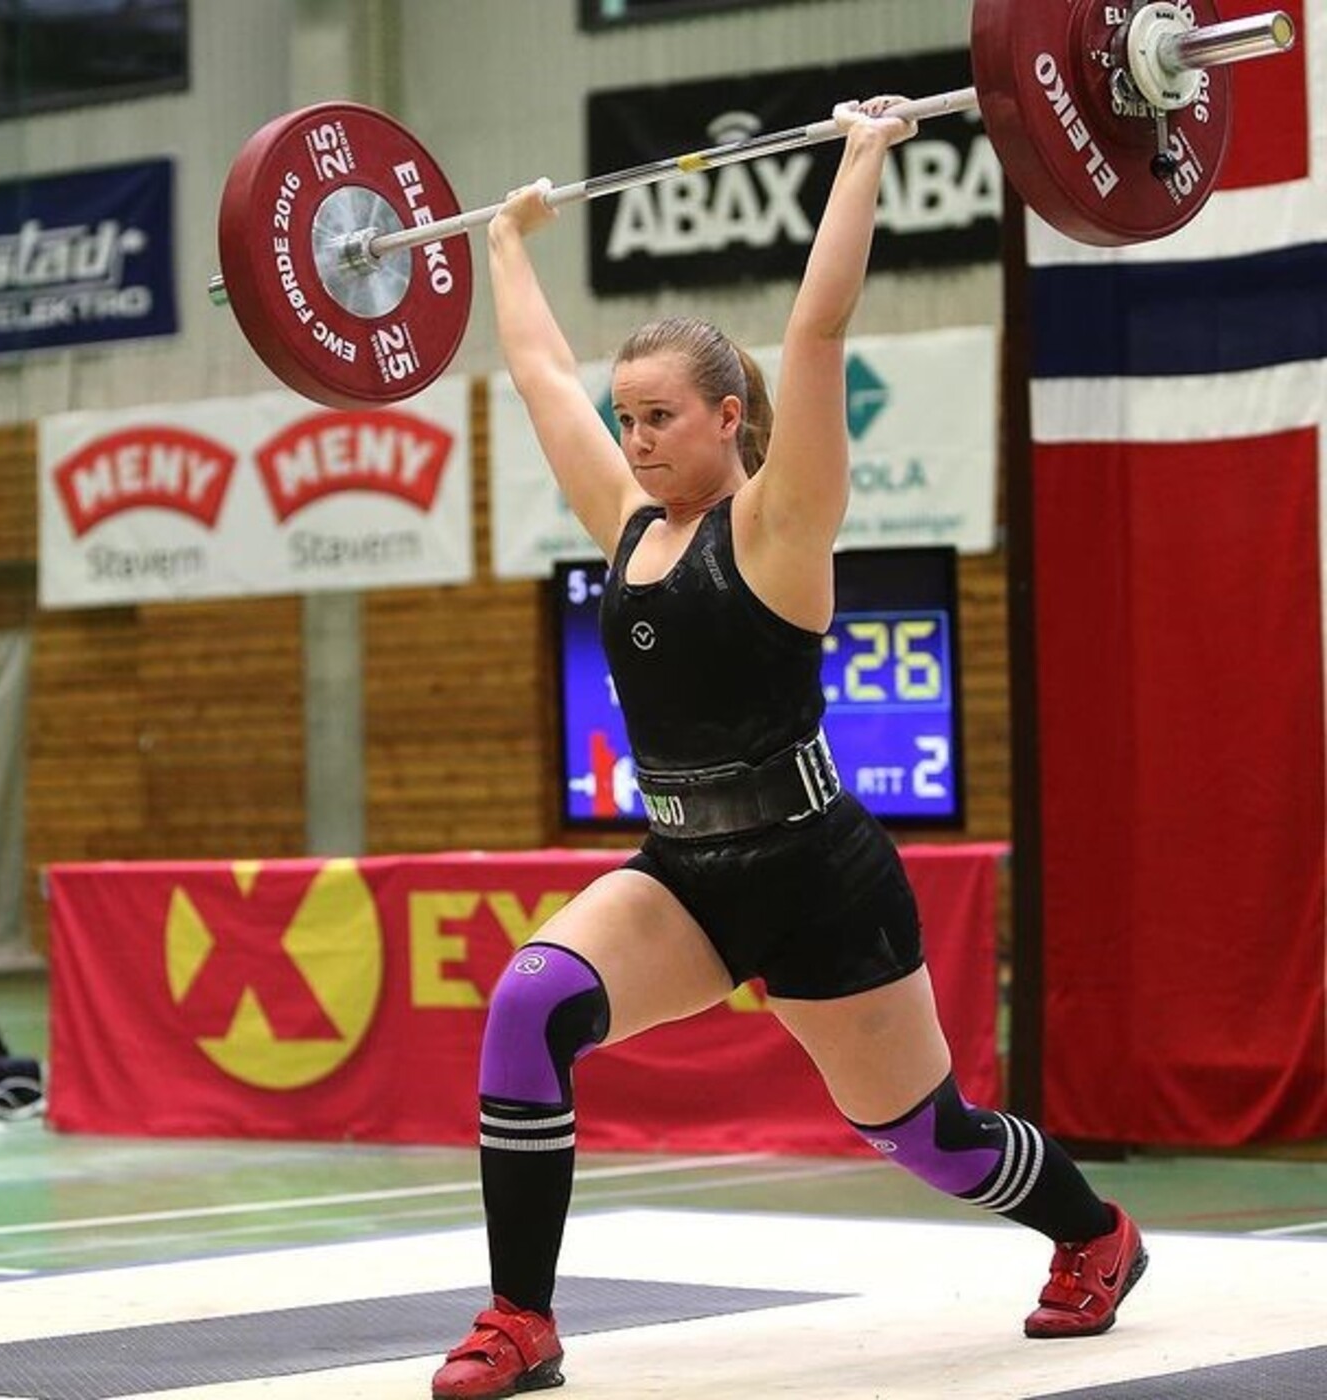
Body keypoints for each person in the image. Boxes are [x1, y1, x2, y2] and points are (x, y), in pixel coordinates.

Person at [431, 97, 1147, 1400]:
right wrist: (506, 243)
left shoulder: (779, 530)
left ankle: (1096, 1236)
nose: (635, 441)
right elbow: (537, 376)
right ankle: (521, 1322)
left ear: (727, 416)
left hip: (819, 880)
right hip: (685, 875)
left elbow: (816, 332)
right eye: (626, 419)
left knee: (928, 1138)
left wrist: (864, 157)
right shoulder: (626, 525)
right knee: (529, 1004)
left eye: (659, 418)